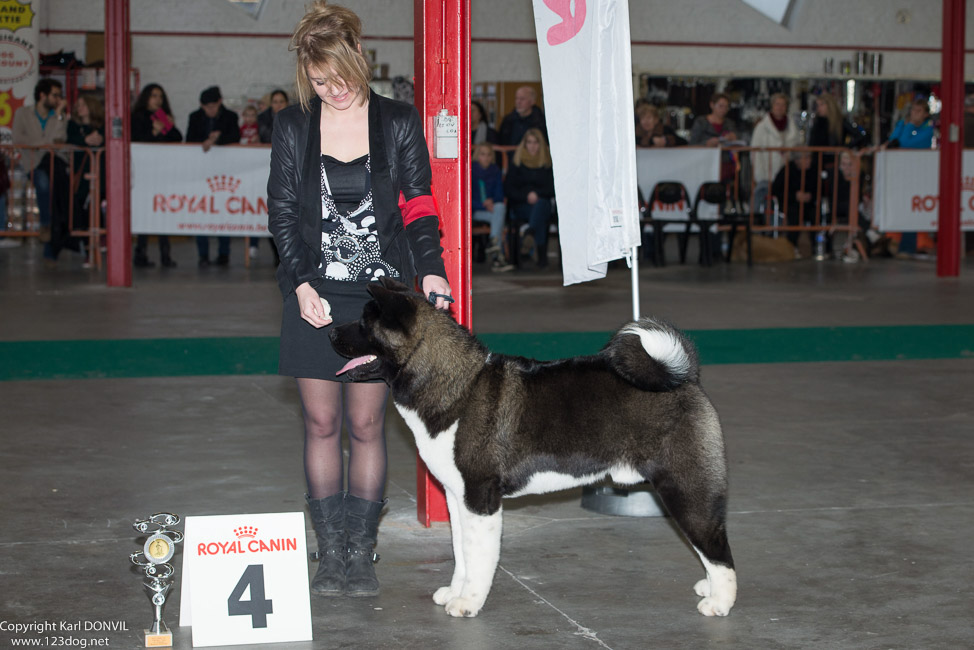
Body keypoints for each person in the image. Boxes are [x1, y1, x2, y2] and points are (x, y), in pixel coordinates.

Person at [267, 0, 451, 599]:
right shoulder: (294, 125)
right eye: (318, 82)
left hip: (380, 298)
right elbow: (284, 214)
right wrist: (299, 284)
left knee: (367, 424)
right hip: (314, 291)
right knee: (321, 422)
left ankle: (361, 549)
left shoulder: (397, 121)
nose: (331, 91)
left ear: (359, 63)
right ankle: (330, 550)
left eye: (339, 79)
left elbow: (419, 205)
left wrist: (432, 272)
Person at [12, 78, 68, 264]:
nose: (58, 99)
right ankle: (46, 225)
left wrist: (60, 116)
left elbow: (60, 140)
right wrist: (45, 145)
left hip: (54, 162)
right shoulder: (23, 113)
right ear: (42, 95)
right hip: (33, 163)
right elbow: (19, 138)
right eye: (55, 95)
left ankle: (52, 236)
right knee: (43, 183)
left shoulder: (59, 116)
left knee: (58, 191)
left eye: (60, 96)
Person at [186, 85, 240, 266]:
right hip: (201, 172)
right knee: (201, 212)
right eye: (205, 107)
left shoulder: (230, 117)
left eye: (212, 106)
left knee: (223, 211)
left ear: (219, 102)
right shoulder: (195, 117)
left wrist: (217, 139)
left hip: (224, 172)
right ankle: (203, 254)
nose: (209, 110)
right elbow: (189, 139)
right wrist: (205, 141)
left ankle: (224, 253)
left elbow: (235, 137)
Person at [131, 83, 182, 267]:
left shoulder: (162, 116)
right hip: (144, 174)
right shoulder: (137, 117)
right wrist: (153, 131)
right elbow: (137, 140)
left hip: (162, 173)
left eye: (160, 96)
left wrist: (168, 126)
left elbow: (177, 138)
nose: (157, 99)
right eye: (153, 95)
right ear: (146, 97)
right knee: (145, 213)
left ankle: (165, 254)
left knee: (163, 213)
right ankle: (140, 253)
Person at [882, 98, 935, 257]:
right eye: (912, 110)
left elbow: (905, 143)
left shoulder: (928, 130)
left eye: (918, 111)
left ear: (926, 114)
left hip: (918, 175)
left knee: (912, 207)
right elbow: (893, 141)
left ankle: (908, 246)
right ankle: (894, 243)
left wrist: (909, 125)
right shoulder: (903, 125)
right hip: (901, 174)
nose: (914, 114)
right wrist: (903, 125)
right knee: (902, 206)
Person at [504, 128, 555, 269]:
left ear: (541, 144)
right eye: (529, 142)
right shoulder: (516, 162)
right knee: (541, 212)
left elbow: (552, 188)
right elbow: (509, 188)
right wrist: (527, 196)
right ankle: (541, 256)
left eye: (536, 142)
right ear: (524, 144)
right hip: (521, 205)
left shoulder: (547, 163)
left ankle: (530, 232)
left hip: (541, 203)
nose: (532, 146)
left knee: (541, 205)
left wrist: (536, 194)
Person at [66, 93, 105, 268]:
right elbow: (70, 140)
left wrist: (99, 139)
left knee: (97, 210)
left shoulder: (102, 126)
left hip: (101, 176)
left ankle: (101, 243)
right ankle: (88, 251)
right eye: (78, 104)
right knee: (83, 213)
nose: (79, 107)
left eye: (83, 104)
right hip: (81, 176)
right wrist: (85, 141)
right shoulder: (73, 125)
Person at [749, 93, 801, 221]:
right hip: (766, 173)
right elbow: (755, 152)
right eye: (777, 104)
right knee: (764, 199)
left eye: (783, 105)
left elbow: (797, 147)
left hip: (786, 173)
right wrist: (759, 174)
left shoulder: (792, 127)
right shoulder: (761, 127)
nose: (780, 107)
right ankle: (756, 225)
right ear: (772, 106)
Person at [472, 143, 512, 272]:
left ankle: (494, 243)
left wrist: (492, 201)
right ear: (477, 155)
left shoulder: (495, 170)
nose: (486, 157)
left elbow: (500, 195)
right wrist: (483, 204)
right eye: (483, 154)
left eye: (489, 155)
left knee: (500, 207)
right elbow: (465, 199)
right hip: (475, 210)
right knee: (499, 214)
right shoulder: (470, 170)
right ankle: (496, 257)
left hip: (492, 209)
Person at [771, 150, 817, 251]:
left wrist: (810, 196)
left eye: (809, 158)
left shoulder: (813, 170)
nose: (809, 161)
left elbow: (819, 189)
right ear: (797, 160)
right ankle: (791, 247)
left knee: (816, 214)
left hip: (808, 205)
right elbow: (775, 189)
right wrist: (794, 196)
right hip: (790, 204)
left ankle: (816, 247)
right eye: (806, 158)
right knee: (794, 215)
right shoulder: (787, 170)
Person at [689, 92, 739, 183]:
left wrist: (733, 138)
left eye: (726, 107)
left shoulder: (730, 124)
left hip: (725, 165)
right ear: (712, 105)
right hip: (705, 164)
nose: (724, 109)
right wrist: (706, 144)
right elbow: (692, 144)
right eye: (721, 106)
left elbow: (738, 143)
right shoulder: (701, 122)